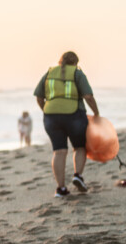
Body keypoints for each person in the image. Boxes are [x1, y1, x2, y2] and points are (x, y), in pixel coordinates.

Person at [34, 52, 100, 197]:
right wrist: (96, 113)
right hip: (74, 115)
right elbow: (88, 96)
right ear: (76, 62)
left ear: (60, 61)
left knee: (59, 151)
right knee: (79, 147)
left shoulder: (49, 73)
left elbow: (39, 97)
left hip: (51, 117)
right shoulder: (77, 74)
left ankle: (61, 189)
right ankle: (77, 175)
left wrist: (46, 110)